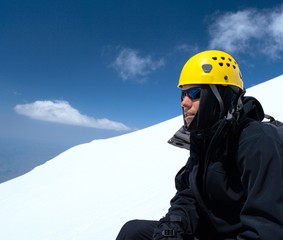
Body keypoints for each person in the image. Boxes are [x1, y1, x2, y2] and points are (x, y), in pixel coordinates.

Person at [115, 50, 283, 240]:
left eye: (194, 93)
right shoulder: (203, 140)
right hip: (209, 231)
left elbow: (269, 229)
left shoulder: (257, 140)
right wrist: (172, 227)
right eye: (183, 94)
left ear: (222, 95)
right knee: (134, 231)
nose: (184, 102)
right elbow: (189, 195)